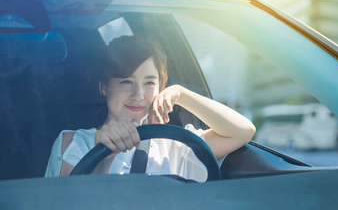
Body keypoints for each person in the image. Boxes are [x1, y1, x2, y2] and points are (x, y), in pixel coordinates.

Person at [45, 35, 256, 181]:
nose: (138, 95)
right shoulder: (74, 144)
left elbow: (242, 131)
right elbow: (72, 203)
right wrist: (105, 156)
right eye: (126, 81)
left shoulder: (178, 144)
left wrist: (182, 94)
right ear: (104, 87)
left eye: (149, 83)